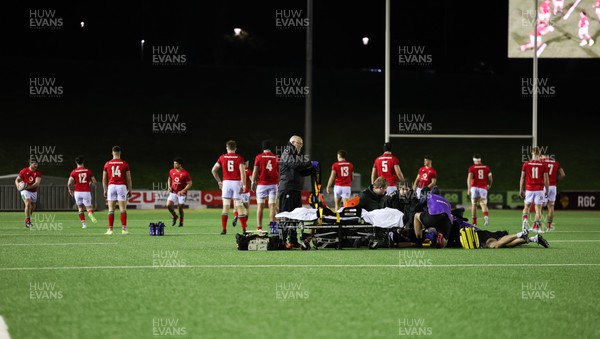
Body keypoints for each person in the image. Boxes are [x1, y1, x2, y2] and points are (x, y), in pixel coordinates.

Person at [278, 135, 317, 248]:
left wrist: (311, 170)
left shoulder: (294, 155)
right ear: (293, 142)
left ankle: (293, 240)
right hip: (287, 188)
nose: (301, 146)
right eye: (300, 144)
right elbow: (295, 164)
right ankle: (282, 241)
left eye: (301, 144)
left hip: (295, 189)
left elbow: (301, 171)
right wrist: (310, 163)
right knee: (286, 216)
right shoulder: (287, 153)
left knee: (296, 216)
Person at [211, 140, 247, 234]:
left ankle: (224, 229)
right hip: (236, 183)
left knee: (225, 207)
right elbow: (243, 172)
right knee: (239, 206)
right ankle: (243, 229)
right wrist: (244, 184)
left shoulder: (222, 157)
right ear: (235, 148)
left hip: (226, 183)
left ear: (227, 148)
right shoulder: (239, 158)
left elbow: (214, 170)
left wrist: (219, 181)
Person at [102, 146, 132, 235]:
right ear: (120, 153)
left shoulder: (107, 164)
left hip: (111, 186)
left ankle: (110, 230)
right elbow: (128, 178)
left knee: (111, 209)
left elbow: (104, 178)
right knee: (123, 209)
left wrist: (105, 189)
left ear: (112, 153)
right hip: (121, 186)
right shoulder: (124, 163)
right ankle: (124, 229)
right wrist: (129, 189)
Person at [250, 140, 279, 232]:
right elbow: (280, 171)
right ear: (271, 147)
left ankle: (259, 227)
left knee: (260, 206)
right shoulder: (276, 157)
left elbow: (255, 171)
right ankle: (273, 228)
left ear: (262, 148)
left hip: (262, 184)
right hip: (273, 184)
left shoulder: (258, 157)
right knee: (272, 207)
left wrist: (253, 182)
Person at [519, 146, 549, 233]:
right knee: (538, 209)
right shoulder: (543, 165)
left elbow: (522, 178)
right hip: (539, 189)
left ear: (532, 153)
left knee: (526, 207)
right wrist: (546, 190)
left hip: (529, 189)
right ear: (539, 154)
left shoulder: (526, 164)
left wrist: (521, 189)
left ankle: (525, 222)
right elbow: (546, 180)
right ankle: (536, 227)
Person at [67, 156, 97, 228]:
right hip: (86, 191)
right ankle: (90, 213)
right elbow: (94, 181)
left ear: (76, 162)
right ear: (83, 162)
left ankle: (84, 224)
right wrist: (90, 184)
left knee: (80, 208)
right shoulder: (88, 171)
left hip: (77, 192)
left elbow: (69, 183)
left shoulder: (73, 172)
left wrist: (70, 189)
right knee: (89, 208)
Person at [540, 154, 565, 232]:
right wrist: (556, 179)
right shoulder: (556, 163)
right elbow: (563, 175)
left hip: (544, 186)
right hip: (553, 187)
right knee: (551, 207)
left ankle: (538, 226)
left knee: (540, 206)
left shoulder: (542, 162)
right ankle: (549, 227)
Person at [466, 154, 493, 226]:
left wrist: (468, 189)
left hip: (474, 187)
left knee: (474, 204)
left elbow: (469, 178)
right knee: (483, 203)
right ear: (480, 160)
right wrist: (489, 185)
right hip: (483, 187)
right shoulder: (486, 167)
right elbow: (490, 178)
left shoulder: (472, 168)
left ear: (474, 160)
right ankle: (486, 217)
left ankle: (474, 222)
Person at [15, 160, 42, 228]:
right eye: (35, 164)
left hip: (33, 191)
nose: (36, 165)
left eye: (37, 164)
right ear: (30, 164)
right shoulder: (24, 170)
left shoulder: (38, 172)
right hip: (25, 191)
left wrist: (29, 186)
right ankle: (28, 221)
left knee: (32, 207)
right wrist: (18, 186)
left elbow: (37, 183)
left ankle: (28, 218)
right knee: (27, 204)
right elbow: (17, 180)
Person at [167, 157, 192, 227]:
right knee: (168, 205)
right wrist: (169, 186)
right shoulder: (171, 171)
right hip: (173, 192)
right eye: (174, 163)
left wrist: (183, 190)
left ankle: (181, 221)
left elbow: (190, 183)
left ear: (180, 164)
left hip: (182, 193)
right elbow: (169, 179)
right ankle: (175, 216)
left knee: (180, 207)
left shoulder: (185, 173)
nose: (174, 164)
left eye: (176, 163)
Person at [238, 159, 252, 229]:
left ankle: (237, 216)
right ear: (245, 163)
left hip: (239, 191)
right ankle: (245, 223)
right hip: (246, 192)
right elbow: (251, 180)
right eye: (247, 163)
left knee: (239, 207)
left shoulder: (237, 170)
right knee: (247, 208)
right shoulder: (248, 171)